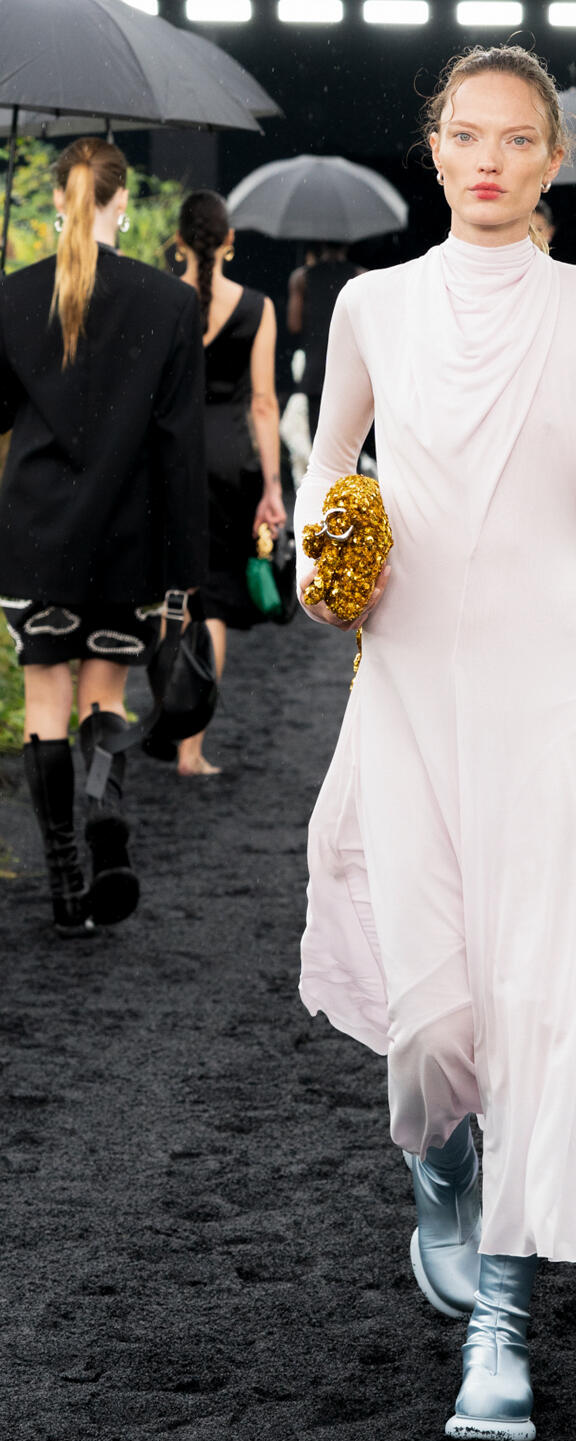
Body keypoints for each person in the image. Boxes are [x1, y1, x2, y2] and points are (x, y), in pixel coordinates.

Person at [294, 46, 576, 1441]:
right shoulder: (374, 305)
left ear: (553, 161)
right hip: (410, 692)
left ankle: (499, 1331)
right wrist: (330, 551)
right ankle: (441, 1171)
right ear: (434, 148)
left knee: (543, 1016)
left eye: (516, 141)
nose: (488, 160)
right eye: (466, 135)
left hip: (553, 705)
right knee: (436, 1025)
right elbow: (328, 463)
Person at [0, 137, 207, 937]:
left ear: (61, 200)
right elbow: (178, 449)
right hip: (127, 541)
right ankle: (104, 813)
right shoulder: (169, 303)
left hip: (35, 538)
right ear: (121, 201)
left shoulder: (16, 296)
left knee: (44, 705)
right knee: (105, 699)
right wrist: (183, 574)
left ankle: (64, 890)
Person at [173, 191, 286, 776]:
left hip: (170, 457)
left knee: (176, 595)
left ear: (178, 242)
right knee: (213, 599)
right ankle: (191, 748)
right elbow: (264, 403)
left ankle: (167, 716)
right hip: (229, 461)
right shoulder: (257, 307)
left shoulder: (159, 301)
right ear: (230, 242)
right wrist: (272, 486)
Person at [287, 243, 365, 444]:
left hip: (316, 370)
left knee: (319, 445)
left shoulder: (302, 278)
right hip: (351, 370)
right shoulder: (361, 277)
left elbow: (294, 325)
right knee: (350, 447)